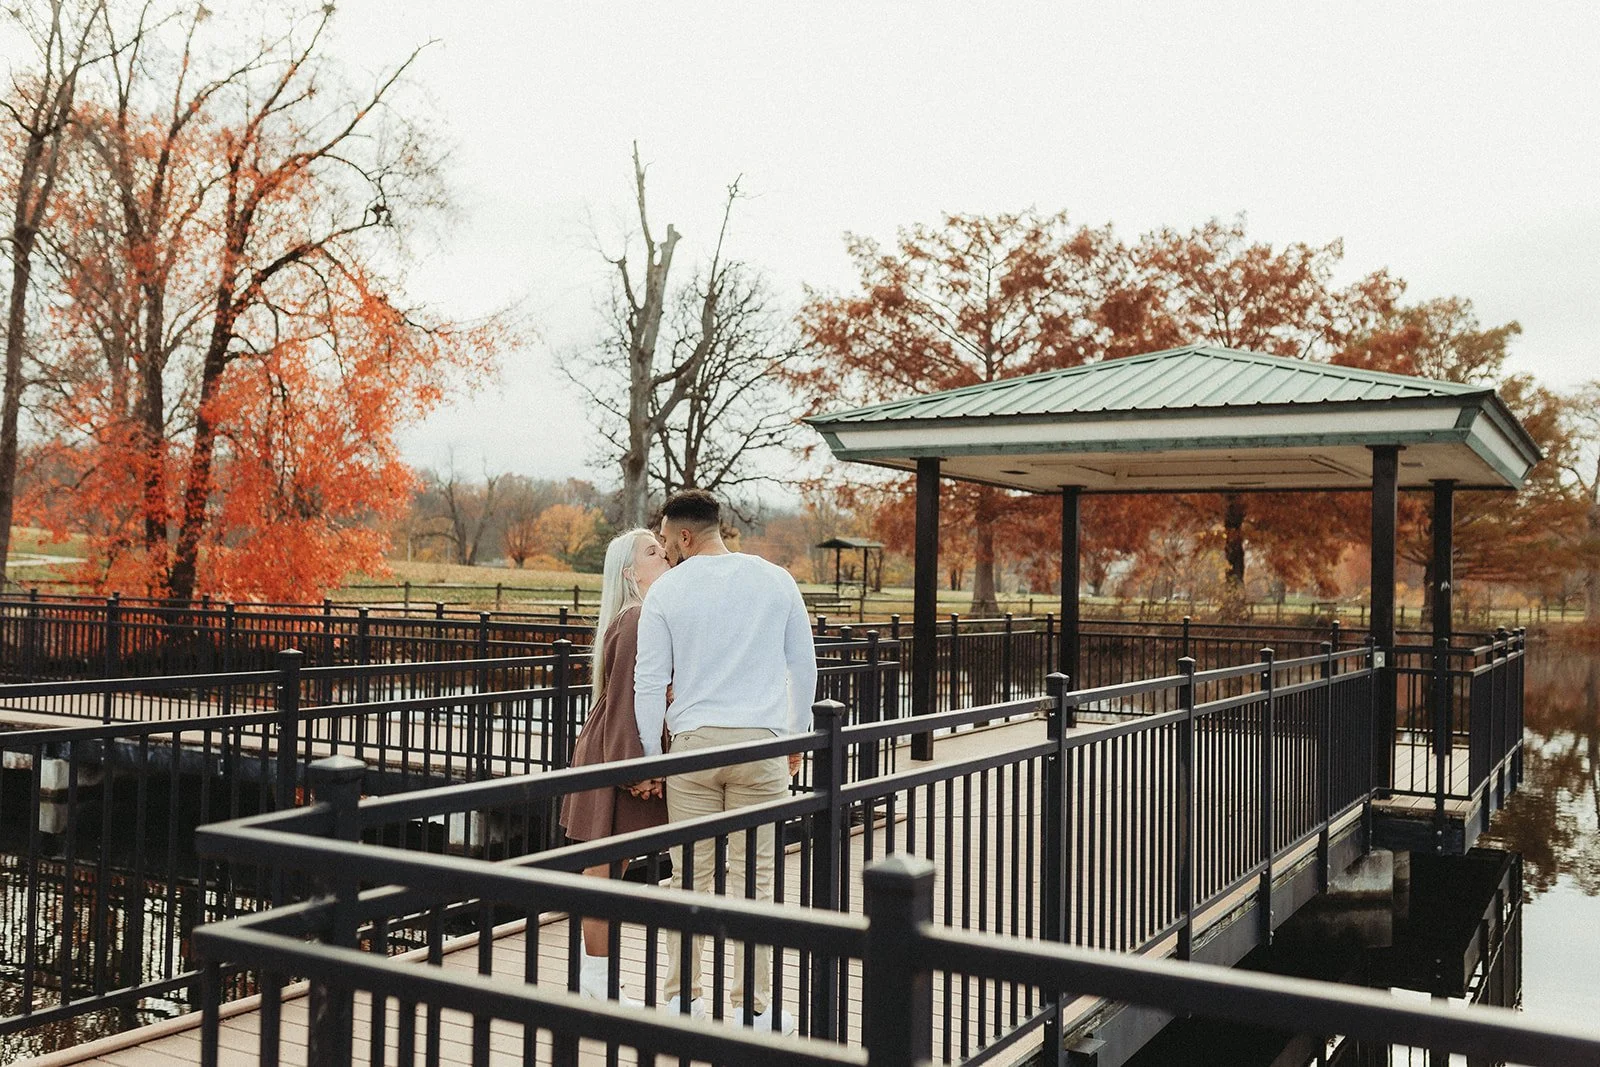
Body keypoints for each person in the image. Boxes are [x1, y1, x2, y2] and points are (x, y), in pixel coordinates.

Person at [634, 490, 817, 1033]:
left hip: (693, 747)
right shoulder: (776, 579)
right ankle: (752, 1008)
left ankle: (683, 1000)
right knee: (757, 881)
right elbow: (802, 668)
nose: (667, 550)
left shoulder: (667, 590)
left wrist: (650, 756)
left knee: (690, 876)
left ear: (685, 536)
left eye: (667, 541)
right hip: (760, 744)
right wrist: (794, 736)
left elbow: (650, 683)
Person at [559, 528, 671, 1003]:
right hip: (613, 751)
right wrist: (639, 769)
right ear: (630, 572)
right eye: (652, 551)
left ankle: (596, 984)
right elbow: (627, 700)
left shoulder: (643, 616)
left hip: (609, 748)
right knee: (602, 875)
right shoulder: (635, 618)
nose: (663, 554)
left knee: (608, 872)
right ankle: (596, 986)